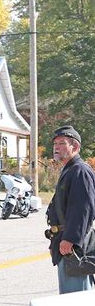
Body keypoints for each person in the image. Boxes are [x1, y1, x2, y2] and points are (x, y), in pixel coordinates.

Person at [47, 125, 95, 294]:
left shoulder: (80, 171)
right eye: (55, 144)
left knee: (76, 303)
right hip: (66, 243)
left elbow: (83, 209)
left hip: (74, 247)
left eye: (61, 143)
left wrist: (71, 239)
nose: (56, 147)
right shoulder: (70, 170)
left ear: (75, 147)